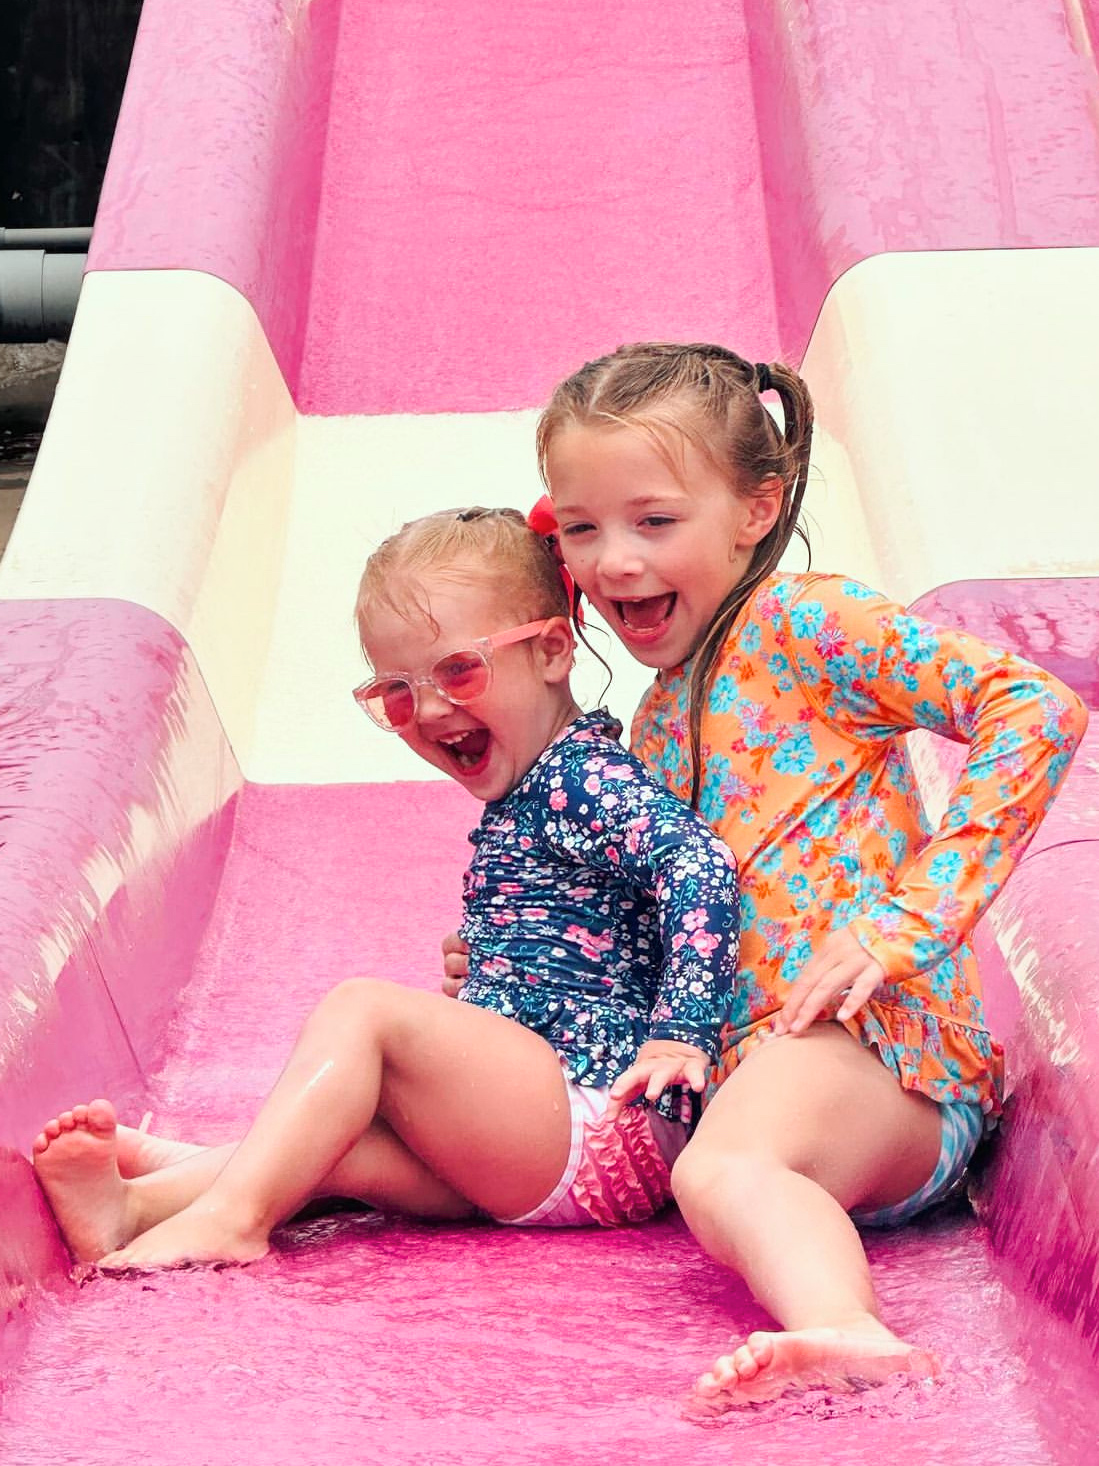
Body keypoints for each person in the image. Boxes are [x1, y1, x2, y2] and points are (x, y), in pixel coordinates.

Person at [444, 342, 1089, 1405]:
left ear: (755, 508)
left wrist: (905, 920)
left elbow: (1034, 708)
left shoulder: (809, 623)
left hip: (886, 1056)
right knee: (505, 1130)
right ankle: (188, 1186)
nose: (613, 563)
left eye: (654, 522)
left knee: (721, 1170)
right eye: (582, 528)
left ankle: (848, 1328)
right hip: (764, 1075)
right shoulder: (651, 719)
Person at [32, 507, 742, 1271]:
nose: (431, 709)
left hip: (599, 1116)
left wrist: (681, 1030)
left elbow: (697, 863)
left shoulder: (581, 775)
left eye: (458, 670)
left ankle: (235, 1215)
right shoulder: (540, 782)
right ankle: (140, 1203)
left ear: (551, 651)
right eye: (397, 694)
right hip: (563, 1142)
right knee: (346, 1141)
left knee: (364, 1012)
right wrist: (500, 972)